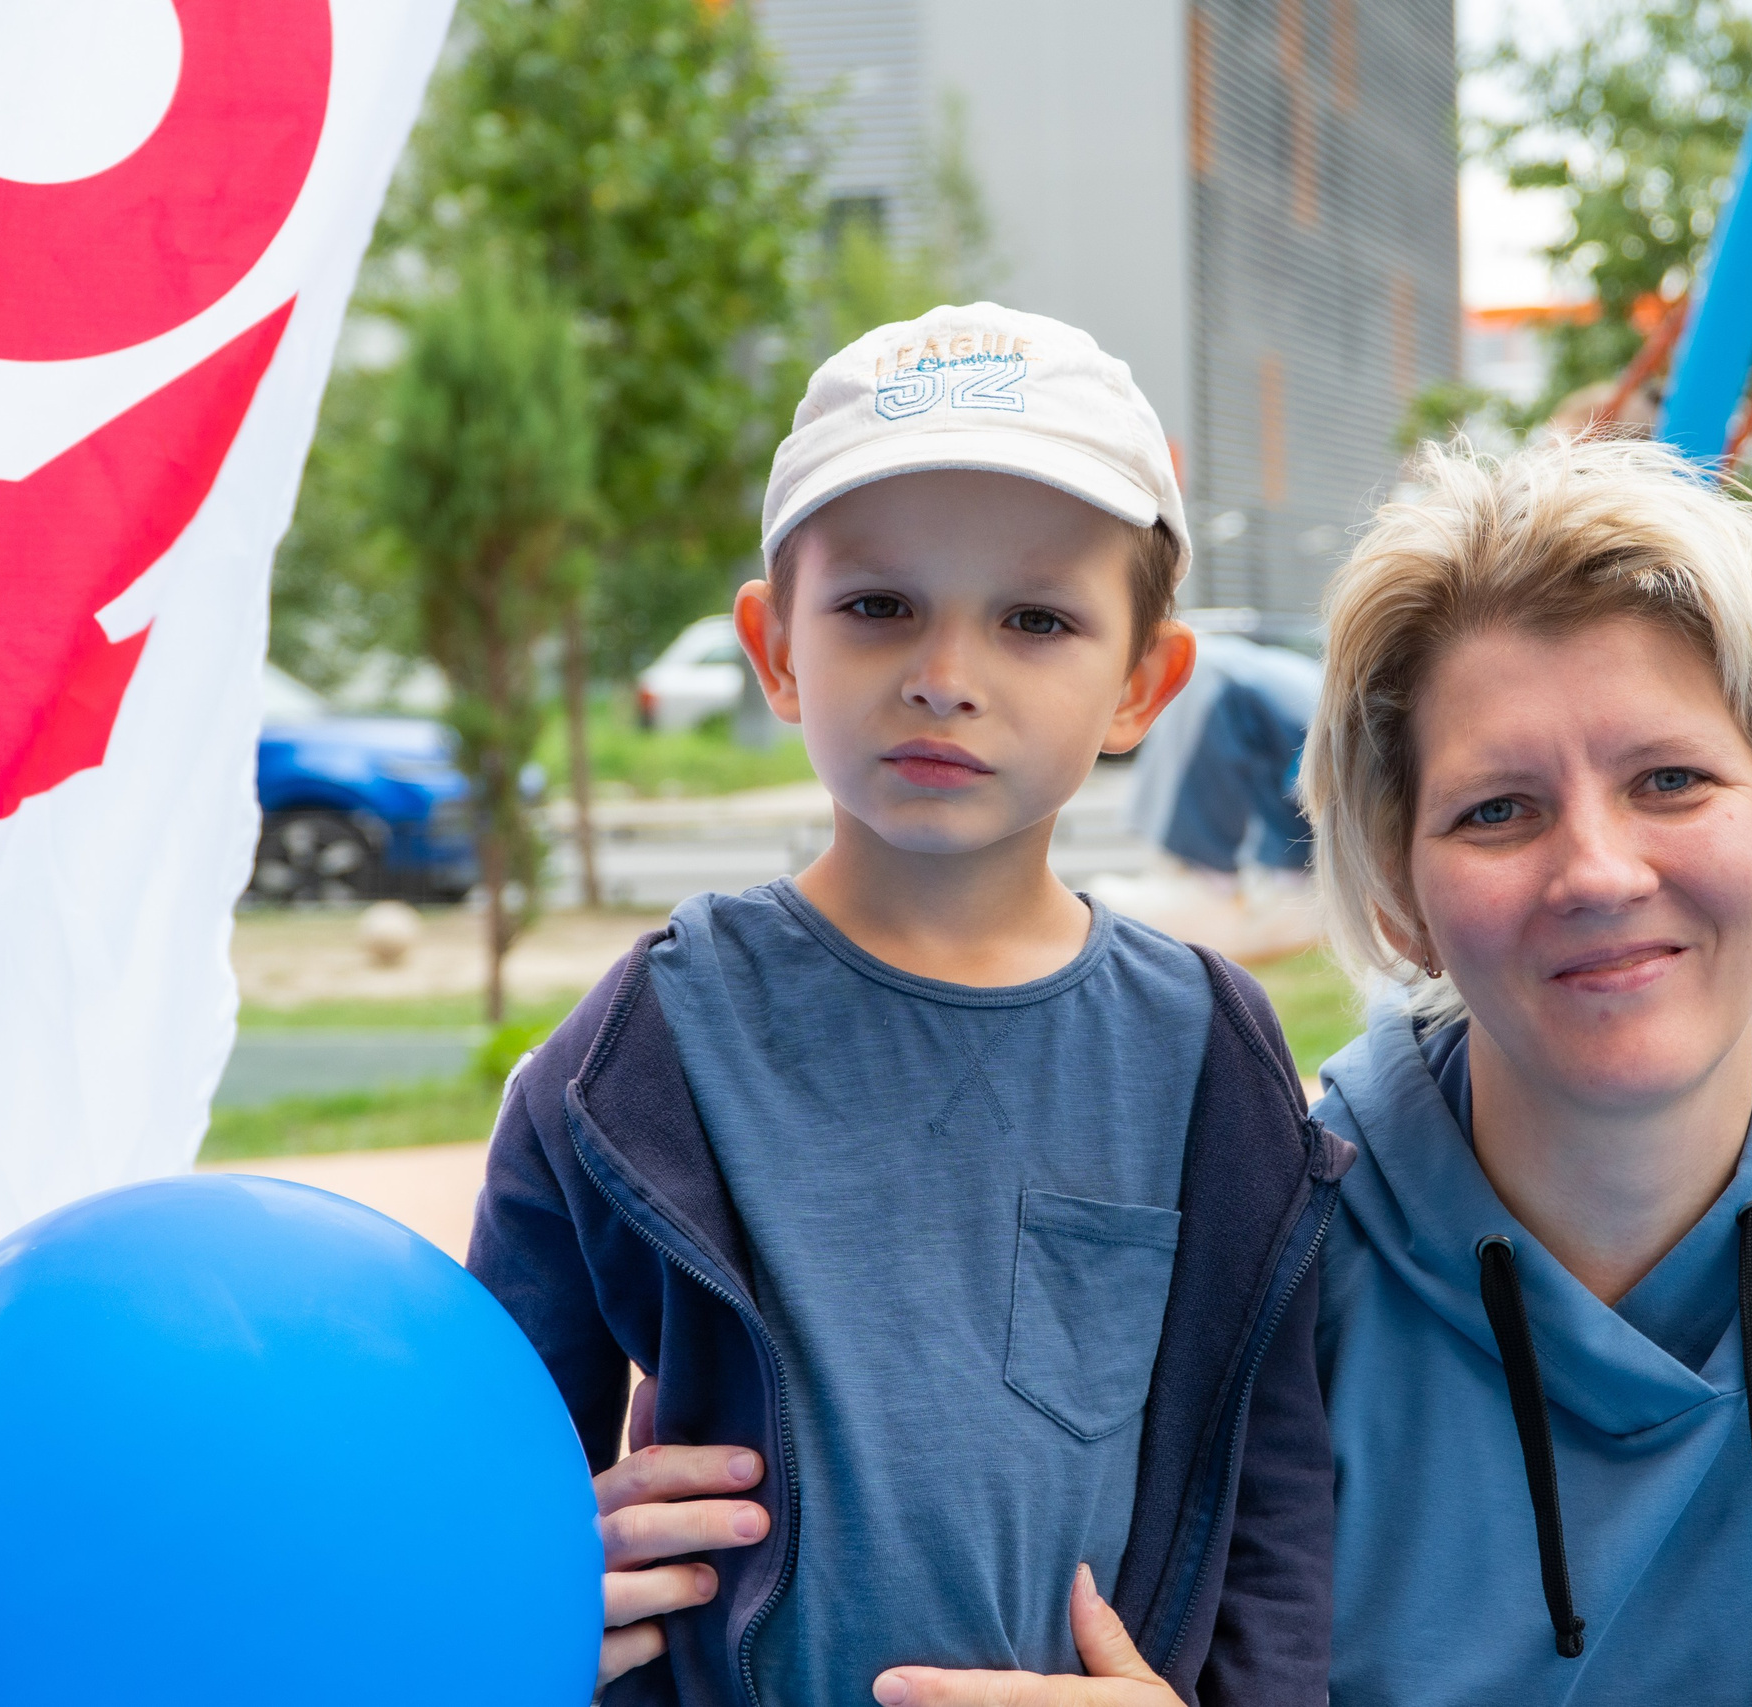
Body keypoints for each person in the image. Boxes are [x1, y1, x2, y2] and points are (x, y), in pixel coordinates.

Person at [878, 433, 1752, 1707]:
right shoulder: (1238, 1264)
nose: (1598, 873)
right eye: (1497, 811)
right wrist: (690, 1574)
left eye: (1671, 781)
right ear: (1400, 899)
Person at [467, 304, 1343, 1707]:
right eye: (878, 605)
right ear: (774, 646)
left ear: (1141, 683)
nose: (947, 671)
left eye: (1036, 617)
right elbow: (483, 1460)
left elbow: (1274, 1487)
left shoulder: (1205, 1053)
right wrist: (516, 1585)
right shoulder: (644, 1045)